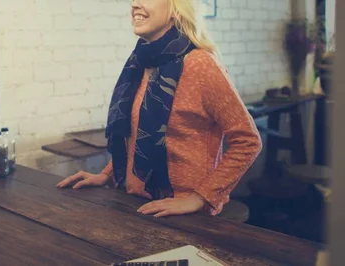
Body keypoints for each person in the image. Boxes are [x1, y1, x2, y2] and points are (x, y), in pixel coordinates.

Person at [57, 0, 262, 218]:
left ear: (176, 8)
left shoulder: (200, 64)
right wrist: (108, 174)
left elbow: (248, 141)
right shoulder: (140, 62)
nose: (135, 4)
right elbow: (136, 134)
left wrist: (199, 198)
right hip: (136, 202)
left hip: (186, 214)